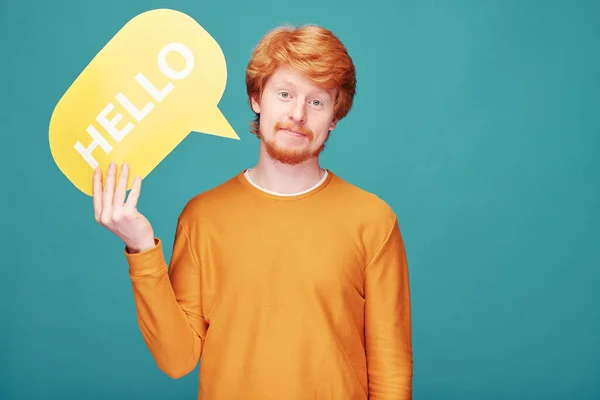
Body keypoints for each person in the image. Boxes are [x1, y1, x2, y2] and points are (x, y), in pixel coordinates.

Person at [93, 24, 413, 399]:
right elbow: (177, 359)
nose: (297, 114)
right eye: (284, 93)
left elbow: (391, 370)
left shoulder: (373, 220)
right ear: (256, 99)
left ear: (334, 117)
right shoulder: (203, 217)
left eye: (317, 101)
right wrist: (141, 248)